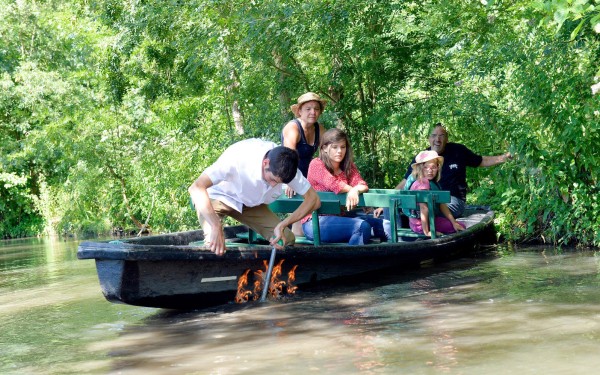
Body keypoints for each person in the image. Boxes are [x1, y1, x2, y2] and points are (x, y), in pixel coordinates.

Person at [188, 138, 321, 256]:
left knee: (286, 239)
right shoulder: (238, 158)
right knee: (214, 245)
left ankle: (262, 277)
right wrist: (216, 226)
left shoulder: (287, 166)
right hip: (219, 197)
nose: (273, 185)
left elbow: (313, 200)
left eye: (279, 183)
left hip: (250, 205)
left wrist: (283, 224)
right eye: (272, 179)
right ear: (265, 163)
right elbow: (196, 187)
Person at [377, 123, 512, 219]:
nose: (438, 139)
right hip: (425, 201)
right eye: (434, 135)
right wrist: (384, 203)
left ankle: (424, 231)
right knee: (392, 206)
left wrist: (503, 158)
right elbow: (406, 181)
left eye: (442, 135)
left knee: (424, 208)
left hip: (452, 201)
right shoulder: (422, 157)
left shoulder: (458, 151)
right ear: (429, 138)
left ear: (446, 138)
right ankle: (399, 242)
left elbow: (481, 161)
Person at [302, 128, 391, 245]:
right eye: (335, 147)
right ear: (324, 148)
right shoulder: (316, 164)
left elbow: (362, 184)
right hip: (316, 222)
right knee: (362, 227)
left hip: (342, 219)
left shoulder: (348, 166)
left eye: (343, 147)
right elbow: (334, 185)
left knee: (387, 226)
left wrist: (355, 190)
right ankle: (349, 261)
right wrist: (353, 190)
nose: (339, 151)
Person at [281, 92, 328, 236]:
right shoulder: (293, 128)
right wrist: (290, 181)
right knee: (301, 214)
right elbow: (289, 157)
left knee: (327, 198)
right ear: (300, 111)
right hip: (289, 173)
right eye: (308, 109)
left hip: (309, 176)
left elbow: (326, 156)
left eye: (316, 109)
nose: (313, 112)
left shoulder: (319, 129)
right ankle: (296, 245)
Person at [406, 150, 465, 237]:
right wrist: (427, 232)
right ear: (419, 168)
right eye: (426, 167)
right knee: (462, 226)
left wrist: (453, 222)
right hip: (421, 225)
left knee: (457, 225)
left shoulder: (432, 183)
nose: (430, 171)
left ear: (438, 168)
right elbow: (424, 208)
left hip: (425, 222)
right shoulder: (423, 183)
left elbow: (442, 205)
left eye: (433, 167)